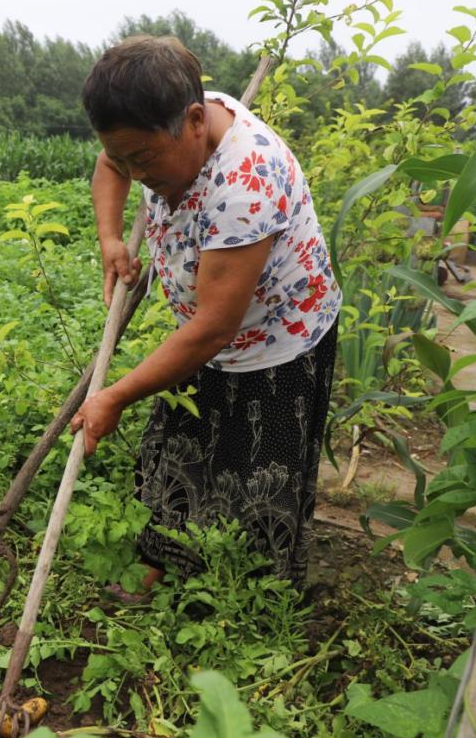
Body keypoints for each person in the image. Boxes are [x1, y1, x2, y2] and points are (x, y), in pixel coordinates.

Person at [70, 36, 341, 591]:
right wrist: (110, 237)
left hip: (277, 337)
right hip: (207, 331)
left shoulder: (247, 182)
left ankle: (249, 598)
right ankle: (164, 564)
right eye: (124, 156)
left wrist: (114, 395)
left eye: (143, 159)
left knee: (257, 471)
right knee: (181, 450)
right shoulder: (157, 120)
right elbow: (110, 162)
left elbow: (216, 327)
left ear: (197, 121)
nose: (133, 170)